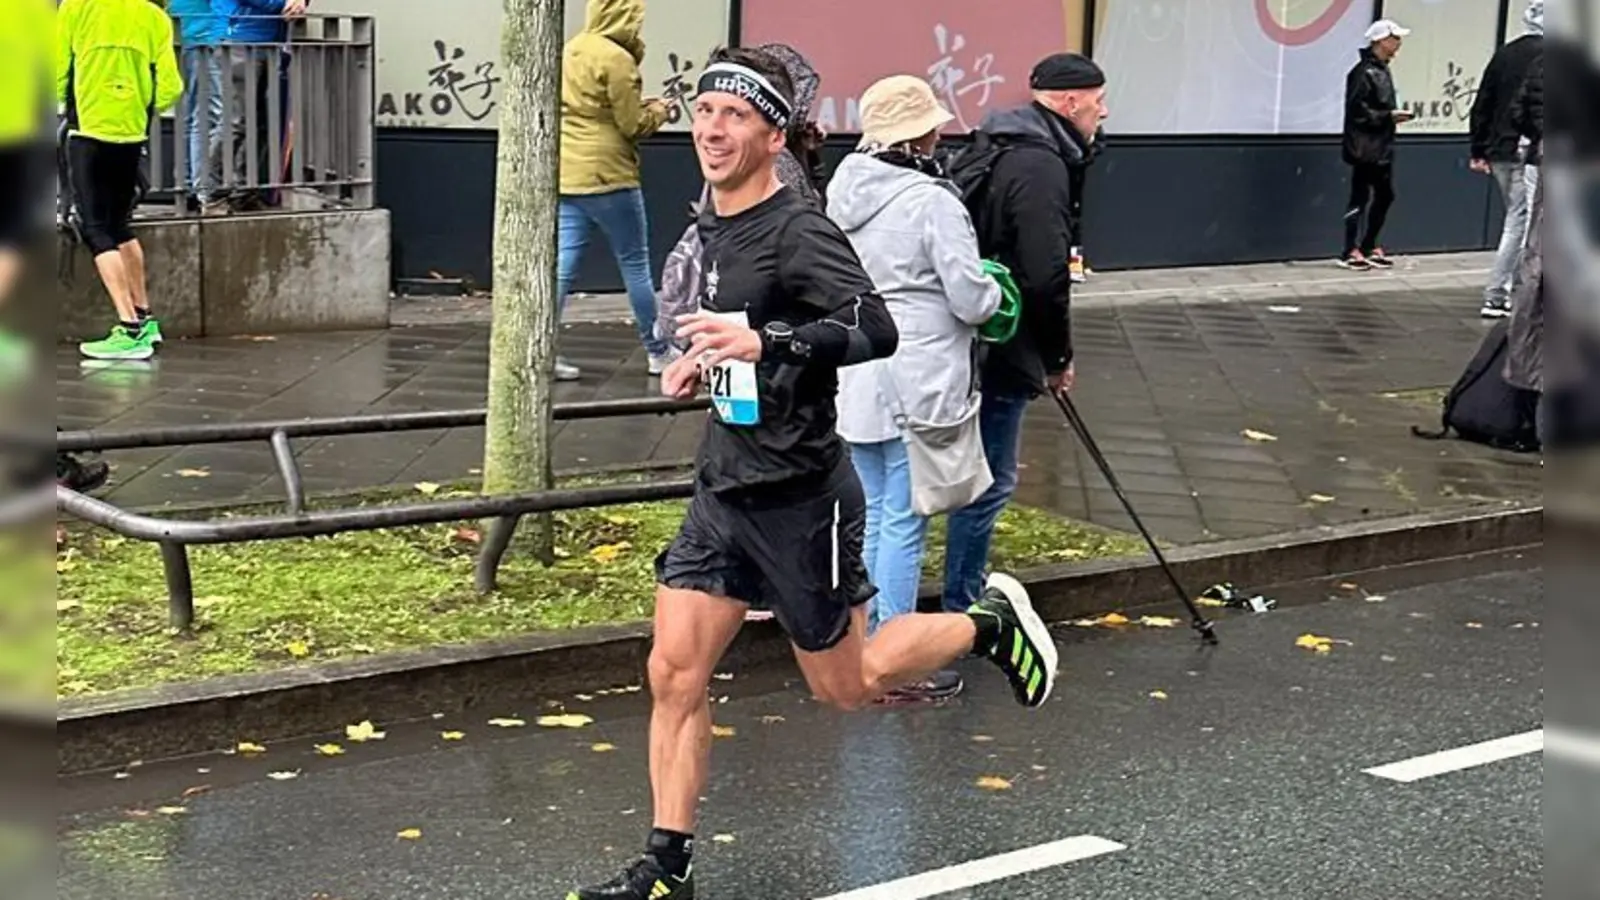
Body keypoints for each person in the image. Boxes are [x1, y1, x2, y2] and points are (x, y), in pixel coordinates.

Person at [566, 47, 1060, 900]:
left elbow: (875, 326)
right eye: (705, 112)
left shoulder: (799, 226)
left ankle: (986, 624)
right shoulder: (710, 224)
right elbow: (719, 329)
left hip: (801, 498)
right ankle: (666, 865)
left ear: (771, 134)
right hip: (725, 486)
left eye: (735, 116)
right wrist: (697, 359)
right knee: (674, 674)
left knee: (849, 684)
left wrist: (770, 344)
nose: (713, 130)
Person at [827, 74, 1001, 702]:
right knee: (904, 519)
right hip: (920, 375)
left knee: (869, 515)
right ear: (921, 133)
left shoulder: (841, 189)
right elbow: (969, 297)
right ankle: (895, 658)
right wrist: (995, 292)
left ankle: (862, 643)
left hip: (857, 372)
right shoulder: (933, 202)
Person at [941, 52, 1105, 613]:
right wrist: (1057, 356)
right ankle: (964, 597)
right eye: (1098, 102)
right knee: (991, 476)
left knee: (960, 470)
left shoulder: (998, 139)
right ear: (1069, 102)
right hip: (1006, 337)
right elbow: (1044, 274)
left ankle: (959, 585)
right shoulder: (1042, 165)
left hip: (971, 329)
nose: (1102, 114)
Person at [553, 0, 675, 382]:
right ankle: (657, 352)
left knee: (562, 268)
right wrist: (659, 110)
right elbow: (631, 123)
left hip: (568, 174)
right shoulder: (616, 58)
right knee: (635, 265)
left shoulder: (570, 48)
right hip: (611, 177)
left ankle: (541, 351)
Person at [58, 0, 184, 361]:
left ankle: (129, 329)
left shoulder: (77, 7)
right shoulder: (153, 16)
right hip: (131, 132)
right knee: (119, 225)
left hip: (88, 129)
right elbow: (170, 85)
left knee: (95, 228)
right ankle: (144, 319)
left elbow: (55, 69)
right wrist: (141, 108)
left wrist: (68, 102)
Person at [1469, 0, 1544, 318]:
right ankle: (1498, 293)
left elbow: (1483, 101)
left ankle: (1510, 288)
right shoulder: (1550, 59)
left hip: (1501, 148)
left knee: (1517, 218)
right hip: (1528, 149)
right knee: (1521, 221)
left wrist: (1478, 148)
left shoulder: (1505, 54)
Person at [1339, 19, 1414, 271]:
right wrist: (1388, 117)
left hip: (1379, 145)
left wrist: (1388, 117)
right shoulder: (1364, 72)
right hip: (1366, 146)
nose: (1399, 44)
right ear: (1381, 41)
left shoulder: (1380, 70)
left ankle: (1367, 244)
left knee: (1382, 195)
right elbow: (1357, 111)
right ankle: (1351, 248)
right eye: (1395, 39)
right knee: (1362, 196)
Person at [169, 0, 227, 213]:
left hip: (194, 31)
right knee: (207, 115)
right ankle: (202, 191)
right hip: (204, 34)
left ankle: (188, 188)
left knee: (195, 113)